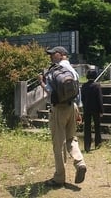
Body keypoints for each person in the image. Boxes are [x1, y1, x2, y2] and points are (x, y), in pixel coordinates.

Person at [38, 46, 86, 187]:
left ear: (60, 54)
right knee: (71, 138)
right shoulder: (72, 70)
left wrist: (41, 82)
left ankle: (59, 178)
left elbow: (49, 91)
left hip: (58, 110)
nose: (51, 57)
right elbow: (78, 90)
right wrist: (78, 109)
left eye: (52, 54)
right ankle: (80, 163)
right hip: (72, 107)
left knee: (58, 145)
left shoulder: (54, 71)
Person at [81, 69, 104, 152]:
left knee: (87, 127)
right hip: (96, 109)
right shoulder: (97, 85)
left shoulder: (84, 86)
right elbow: (99, 99)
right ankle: (98, 143)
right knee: (97, 126)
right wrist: (101, 110)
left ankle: (87, 145)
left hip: (86, 108)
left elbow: (82, 99)